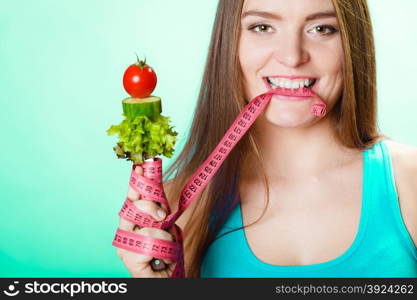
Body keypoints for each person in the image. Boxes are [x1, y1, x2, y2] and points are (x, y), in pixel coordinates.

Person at [115, 0, 417, 278]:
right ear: (230, 43)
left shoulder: (409, 181)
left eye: (322, 28)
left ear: (352, 44)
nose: (292, 56)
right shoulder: (176, 210)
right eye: (262, 27)